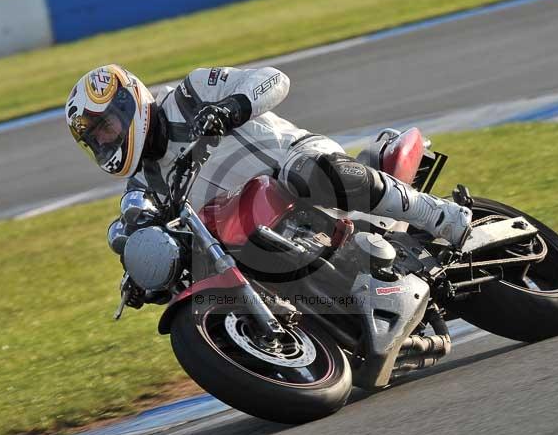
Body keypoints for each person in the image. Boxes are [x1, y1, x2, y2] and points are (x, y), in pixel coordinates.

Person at [66, 64, 471, 280]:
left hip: (294, 161)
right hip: (270, 233)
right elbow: (139, 227)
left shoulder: (190, 94)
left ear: (127, 105)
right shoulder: (143, 185)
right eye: (97, 138)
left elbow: (273, 80)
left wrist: (231, 107)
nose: (106, 140)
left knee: (308, 174)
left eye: (106, 126)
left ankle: (440, 216)